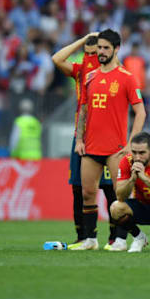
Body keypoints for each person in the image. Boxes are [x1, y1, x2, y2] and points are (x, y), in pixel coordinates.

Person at [69, 29, 146, 251]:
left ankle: (122, 239)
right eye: (99, 48)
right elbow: (83, 109)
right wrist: (80, 139)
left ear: (116, 49)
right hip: (91, 146)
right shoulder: (91, 77)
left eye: (105, 48)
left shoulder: (127, 78)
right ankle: (90, 239)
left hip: (116, 149)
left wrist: (132, 144)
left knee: (120, 195)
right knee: (87, 193)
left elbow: (141, 112)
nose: (101, 52)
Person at [52, 33, 122, 247]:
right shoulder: (81, 71)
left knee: (110, 189)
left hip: (107, 138)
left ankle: (115, 237)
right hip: (81, 137)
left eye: (97, 51)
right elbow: (57, 59)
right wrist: (83, 40)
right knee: (78, 189)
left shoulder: (112, 71)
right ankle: (83, 236)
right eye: (89, 53)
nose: (93, 56)